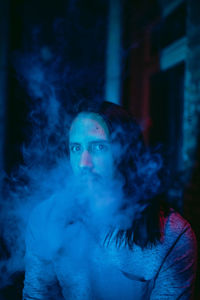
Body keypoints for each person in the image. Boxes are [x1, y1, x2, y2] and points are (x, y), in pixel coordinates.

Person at [23, 101, 197, 299]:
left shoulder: (173, 235)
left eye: (98, 147)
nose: (83, 163)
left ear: (126, 152)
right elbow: (37, 295)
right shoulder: (45, 217)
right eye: (76, 148)